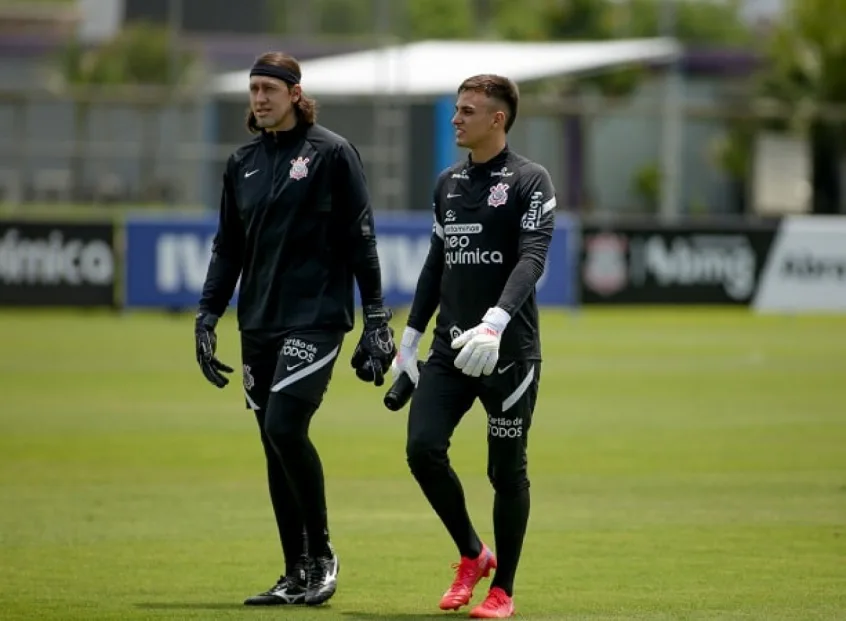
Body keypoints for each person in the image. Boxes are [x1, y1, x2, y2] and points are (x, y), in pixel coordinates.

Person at [193, 51, 395, 608]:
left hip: (317, 316)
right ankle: (293, 572)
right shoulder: (242, 163)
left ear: (294, 93)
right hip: (257, 321)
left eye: (269, 89)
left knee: (284, 427)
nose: (259, 98)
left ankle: (322, 555)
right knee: (272, 444)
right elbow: (228, 247)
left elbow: (362, 238)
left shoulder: (332, 153)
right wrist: (208, 313)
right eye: (253, 89)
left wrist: (376, 315)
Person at [392, 74, 556, 619]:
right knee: (422, 450)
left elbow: (532, 257)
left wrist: (496, 322)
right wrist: (410, 339)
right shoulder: (447, 184)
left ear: (497, 119)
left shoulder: (532, 181)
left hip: (507, 351)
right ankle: (472, 552)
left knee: (506, 475)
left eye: (467, 111)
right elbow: (437, 264)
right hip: (450, 348)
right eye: (456, 110)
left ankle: (502, 588)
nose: (456, 119)